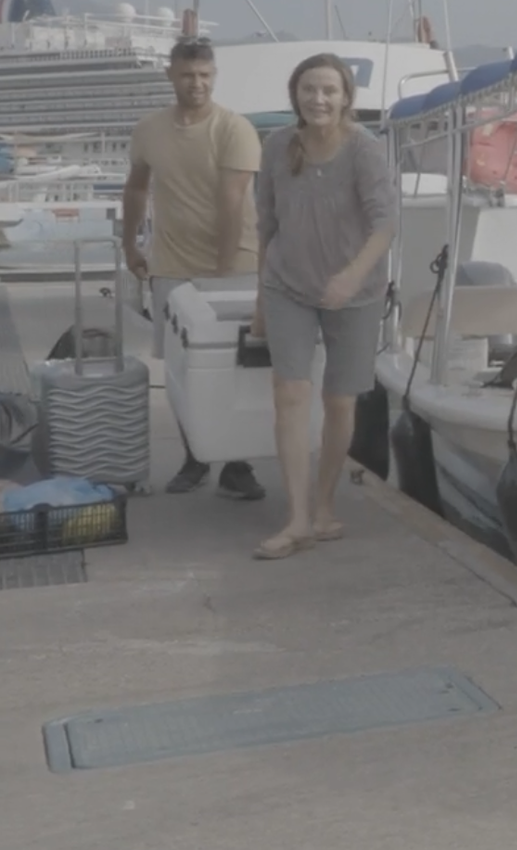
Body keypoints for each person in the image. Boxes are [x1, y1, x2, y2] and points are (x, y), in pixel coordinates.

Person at [250, 52, 396, 559]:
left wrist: (351, 276)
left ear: (346, 97)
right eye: (309, 89)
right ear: (295, 94)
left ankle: (325, 505)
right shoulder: (276, 146)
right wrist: (260, 299)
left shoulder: (364, 150)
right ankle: (297, 520)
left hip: (357, 292)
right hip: (287, 284)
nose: (319, 99)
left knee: (339, 400)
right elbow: (266, 225)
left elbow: (384, 225)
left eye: (329, 90)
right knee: (290, 392)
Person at [120, 36, 266, 501]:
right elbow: (136, 188)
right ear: (170, 75)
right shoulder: (149, 129)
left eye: (204, 74)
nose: (196, 83)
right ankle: (195, 458)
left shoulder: (235, 128)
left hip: (235, 265)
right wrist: (130, 244)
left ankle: (237, 466)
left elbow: (232, 200)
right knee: (181, 367)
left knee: (235, 366)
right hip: (171, 266)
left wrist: (220, 272)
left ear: (214, 75)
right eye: (187, 74)